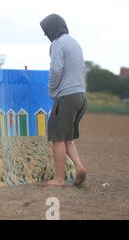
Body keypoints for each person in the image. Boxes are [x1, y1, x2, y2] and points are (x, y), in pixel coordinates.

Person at [40, 13, 88, 186]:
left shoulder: (58, 44)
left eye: (46, 31)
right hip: (81, 95)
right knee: (67, 137)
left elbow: (55, 70)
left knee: (57, 137)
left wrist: (52, 89)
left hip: (67, 96)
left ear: (52, 29)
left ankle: (59, 179)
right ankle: (79, 166)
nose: (46, 35)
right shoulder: (75, 43)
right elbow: (82, 69)